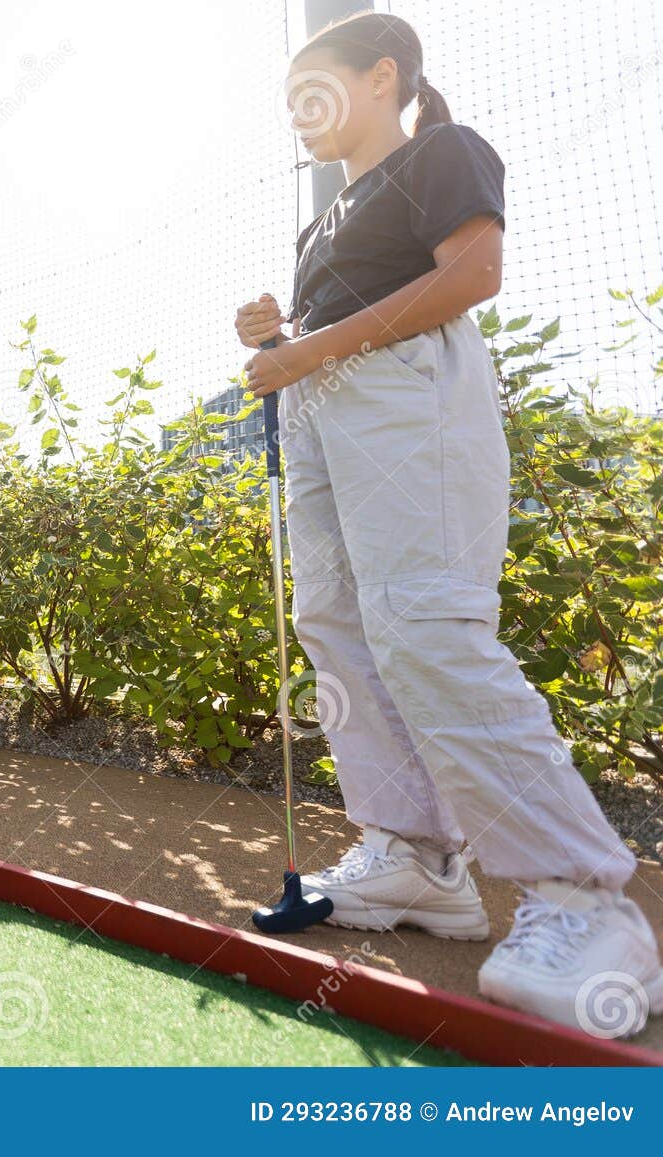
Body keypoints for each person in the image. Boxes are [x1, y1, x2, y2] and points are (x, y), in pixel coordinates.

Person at [234, 11, 660, 1036]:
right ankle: (420, 859)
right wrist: (281, 339)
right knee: (334, 621)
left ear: (382, 77)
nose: (298, 116)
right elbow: (337, 323)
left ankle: (585, 900)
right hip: (327, 402)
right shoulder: (321, 220)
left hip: (401, 390)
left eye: (314, 91)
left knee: (423, 618)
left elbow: (470, 275)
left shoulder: (442, 151)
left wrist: (309, 349)